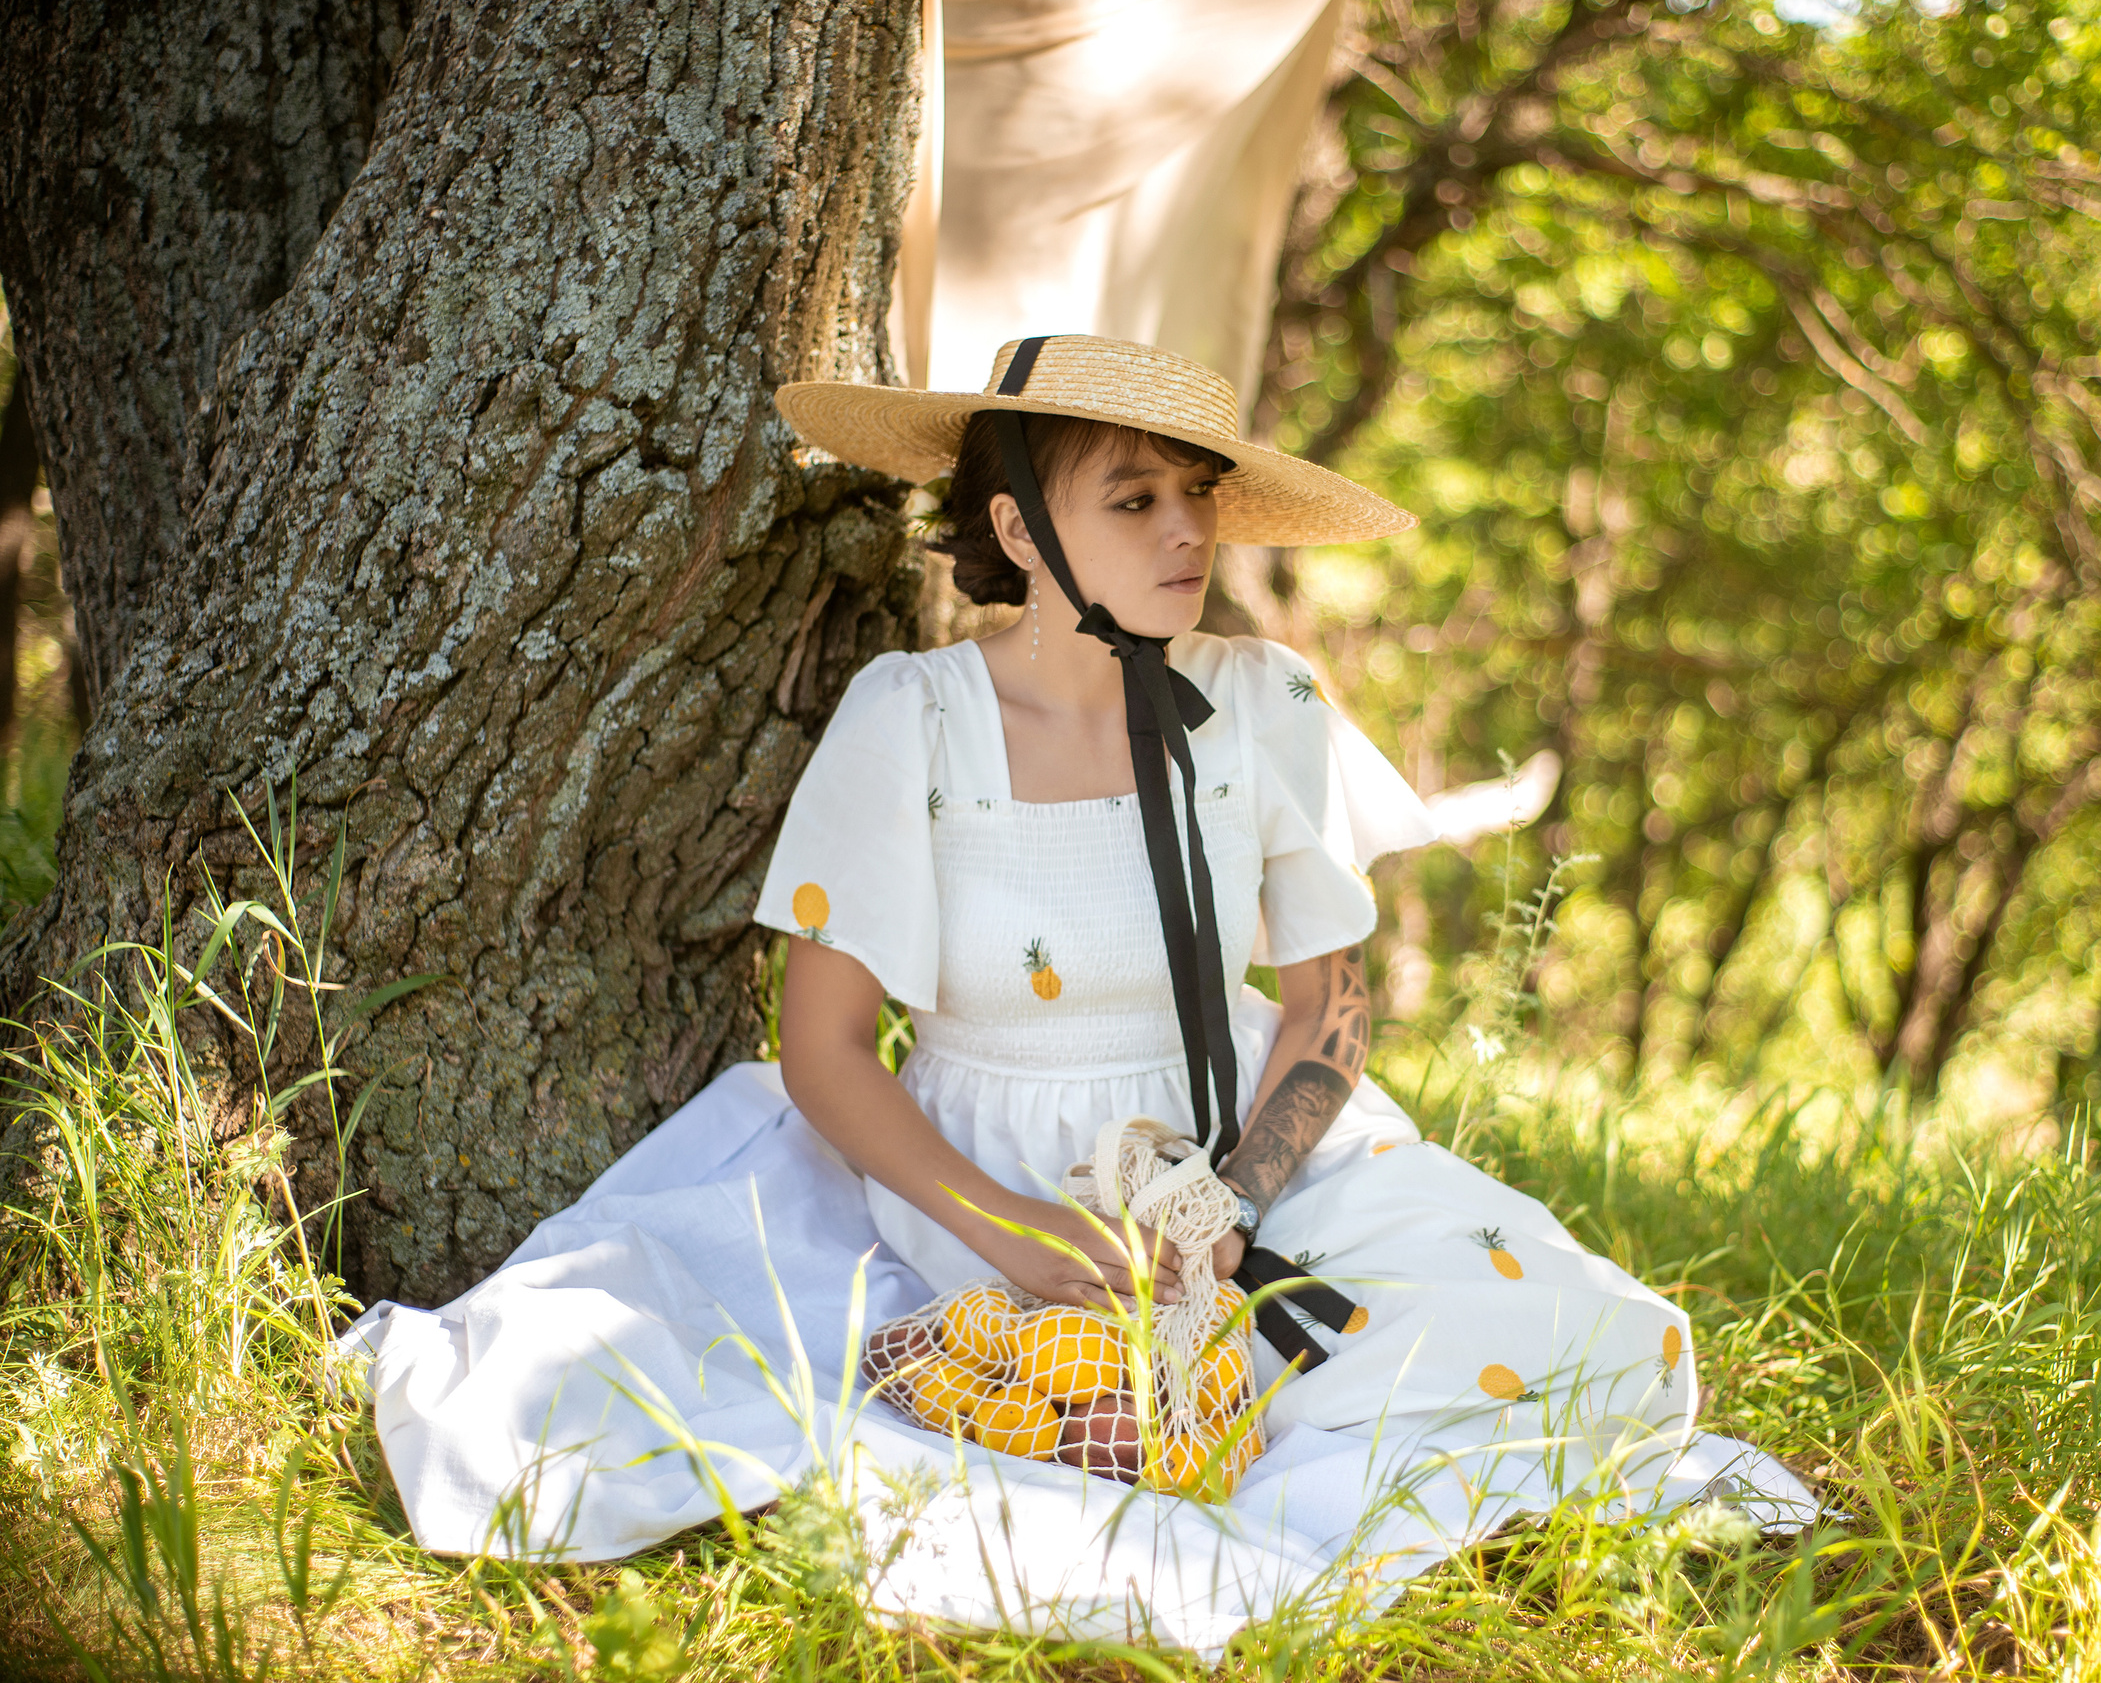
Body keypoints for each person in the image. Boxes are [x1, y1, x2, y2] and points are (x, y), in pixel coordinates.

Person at [344, 335, 1810, 1656]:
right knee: (1093, 1402)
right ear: (1016, 530)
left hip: (1246, 1144)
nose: (1187, 531)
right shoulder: (916, 718)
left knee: (1581, 1324)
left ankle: (1289, 1401)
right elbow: (823, 1045)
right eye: (1134, 497)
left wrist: (1234, 1196)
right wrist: (1008, 1226)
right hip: (989, 1165)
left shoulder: (1266, 698)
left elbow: (1330, 1007)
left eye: (1199, 494)